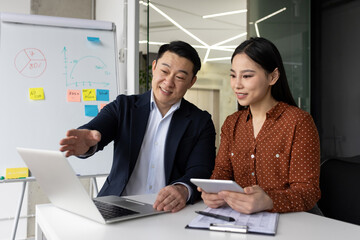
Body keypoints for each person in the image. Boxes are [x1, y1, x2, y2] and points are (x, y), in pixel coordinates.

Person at [59, 41, 216, 213]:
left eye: (179, 77)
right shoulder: (124, 107)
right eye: (164, 71)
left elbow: (201, 169)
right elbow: (95, 131)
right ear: (154, 67)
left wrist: (183, 189)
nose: (168, 82)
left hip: (166, 211)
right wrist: (87, 143)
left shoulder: (200, 121)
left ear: (191, 82)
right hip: (116, 204)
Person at [199, 37, 321, 214]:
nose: (237, 84)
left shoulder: (298, 121)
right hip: (241, 220)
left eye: (247, 76)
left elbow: (308, 191)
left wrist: (269, 201)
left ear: (273, 77)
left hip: (294, 220)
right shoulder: (232, 123)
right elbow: (222, 172)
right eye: (233, 75)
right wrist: (212, 192)